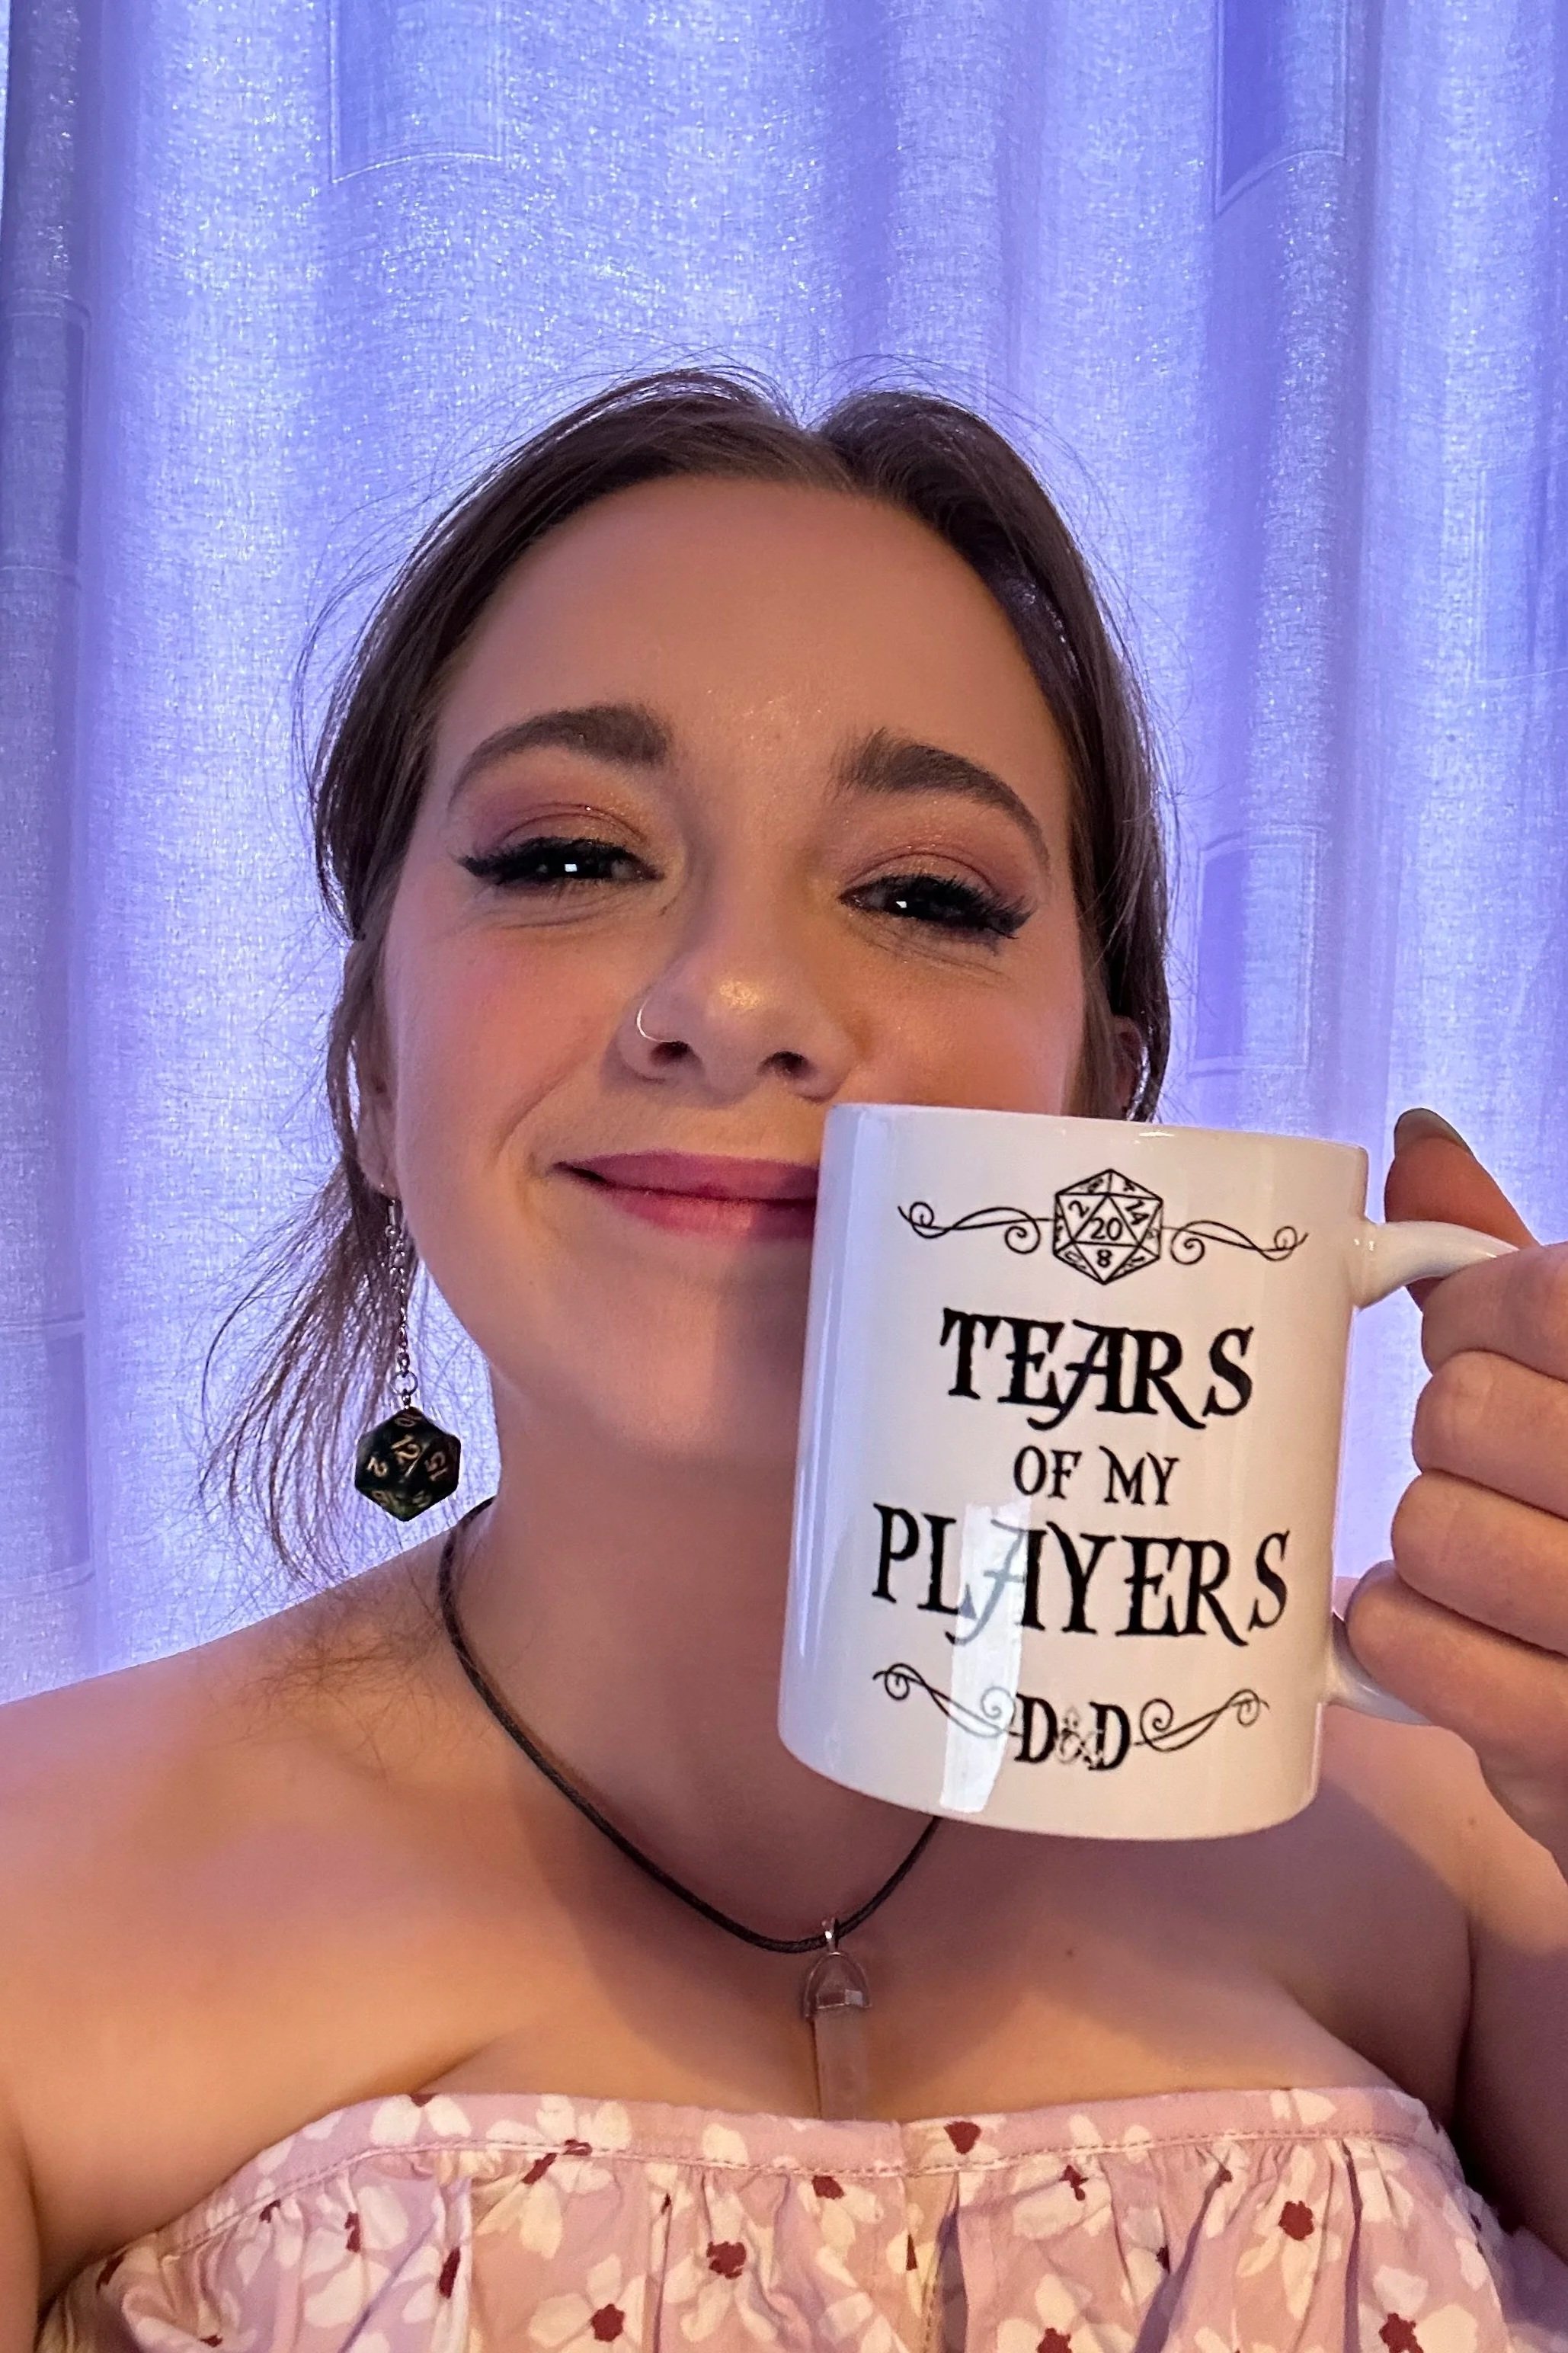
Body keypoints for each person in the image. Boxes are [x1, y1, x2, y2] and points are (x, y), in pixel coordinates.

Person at [2, 371, 1565, 2353]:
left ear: (1103, 1100)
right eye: (564, 857)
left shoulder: (1474, 1870)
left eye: (922, 893)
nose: (730, 1002)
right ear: (376, 1075)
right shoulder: (29, 1913)